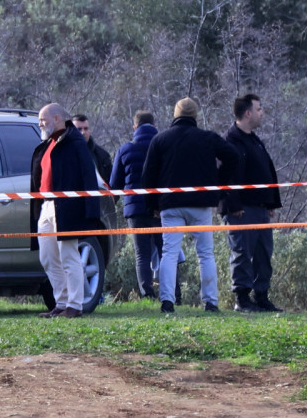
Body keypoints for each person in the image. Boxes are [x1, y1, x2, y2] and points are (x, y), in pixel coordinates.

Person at [142, 97, 240, 314]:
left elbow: (147, 176)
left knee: (169, 252)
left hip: (170, 204)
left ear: (175, 115)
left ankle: (167, 302)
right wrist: (219, 184)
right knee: (205, 253)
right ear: (195, 116)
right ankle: (210, 302)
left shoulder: (160, 140)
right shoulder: (207, 138)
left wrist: (152, 206)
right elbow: (233, 156)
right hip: (201, 203)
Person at [31, 103, 101, 318]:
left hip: (68, 207)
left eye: (43, 119)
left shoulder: (74, 142)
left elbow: (88, 176)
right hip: (47, 206)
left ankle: (75, 305)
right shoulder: (49, 143)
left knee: (68, 256)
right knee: (48, 257)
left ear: (58, 118)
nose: (40, 124)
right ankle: (60, 303)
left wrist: (89, 211)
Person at [223, 93, 284, 313]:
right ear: (248, 113)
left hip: (260, 208)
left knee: (263, 255)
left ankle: (261, 297)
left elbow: (266, 172)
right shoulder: (230, 140)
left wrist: (271, 203)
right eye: (259, 109)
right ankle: (242, 299)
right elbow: (226, 177)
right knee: (241, 253)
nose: (262, 113)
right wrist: (233, 205)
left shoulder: (255, 140)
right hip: (241, 210)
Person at [109, 111, 162, 298]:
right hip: (159, 207)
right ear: (154, 125)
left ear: (135, 127)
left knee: (142, 255)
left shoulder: (125, 149)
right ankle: (171, 293)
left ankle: (147, 295)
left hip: (135, 210)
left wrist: (108, 208)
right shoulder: (162, 146)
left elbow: (115, 184)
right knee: (165, 252)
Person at [73, 114, 113, 184]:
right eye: (79, 129)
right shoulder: (62, 154)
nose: (83, 132)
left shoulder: (102, 155)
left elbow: (110, 182)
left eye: (86, 129)